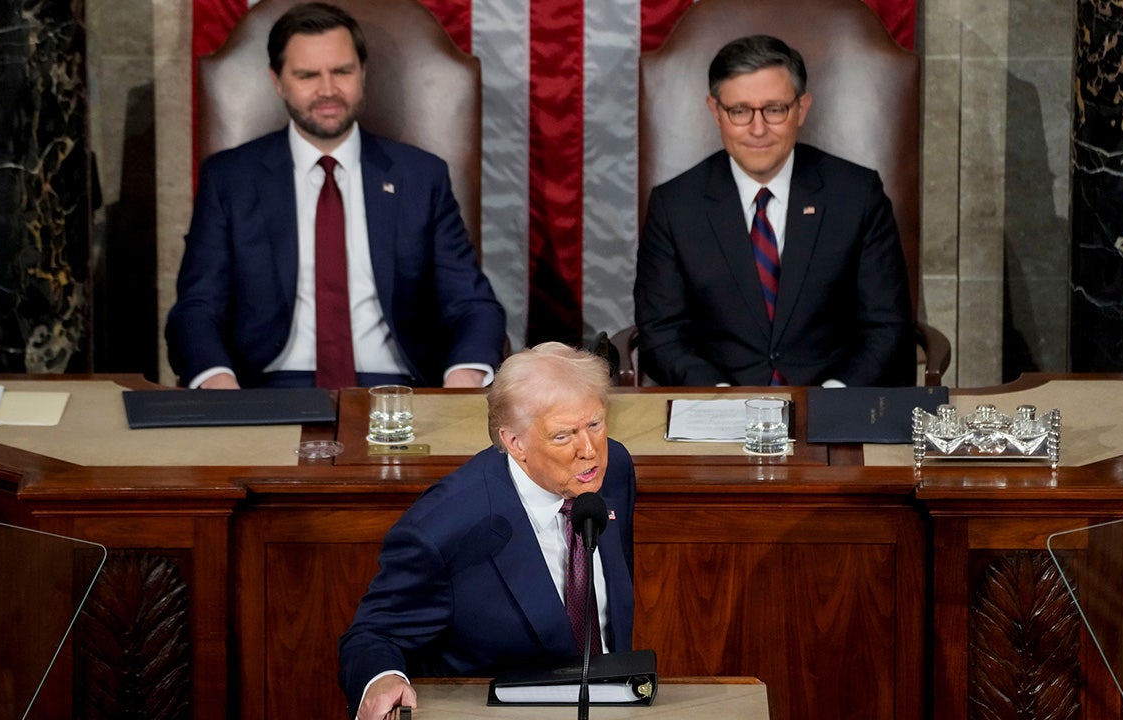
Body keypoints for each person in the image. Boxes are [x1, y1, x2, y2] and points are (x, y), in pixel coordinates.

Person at [166, 2, 505, 390]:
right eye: (307, 75)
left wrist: (462, 379)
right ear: (277, 81)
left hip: (398, 390)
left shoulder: (420, 177)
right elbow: (197, 309)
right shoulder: (230, 179)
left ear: (362, 73)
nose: (327, 90)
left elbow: (472, 305)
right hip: (265, 391)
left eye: (342, 71)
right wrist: (218, 384)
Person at [337, 342, 636, 720]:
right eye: (563, 436)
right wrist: (382, 679)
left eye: (595, 424)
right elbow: (372, 636)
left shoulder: (613, 468)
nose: (589, 449)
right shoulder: (443, 528)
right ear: (515, 443)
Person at [634, 34, 914, 388]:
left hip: (833, 400)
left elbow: (887, 326)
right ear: (715, 111)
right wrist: (719, 398)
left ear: (802, 108)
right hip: (717, 404)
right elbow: (661, 334)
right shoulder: (675, 206)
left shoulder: (857, 194)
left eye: (775, 109)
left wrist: (834, 395)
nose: (758, 129)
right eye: (739, 111)